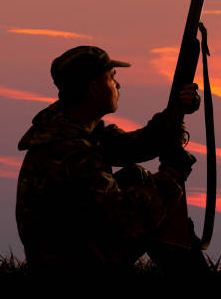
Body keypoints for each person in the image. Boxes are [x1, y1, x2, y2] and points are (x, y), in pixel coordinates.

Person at [16, 45, 208, 276]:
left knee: (136, 177)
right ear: (95, 88)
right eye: (112, 78)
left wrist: (177, 111)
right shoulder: (70, 151)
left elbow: (131, 147)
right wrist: (172, 176)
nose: (118, 85)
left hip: (76, 248)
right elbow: (124, 221)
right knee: (153, 199)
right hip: (70, 266)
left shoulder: (74, 128)